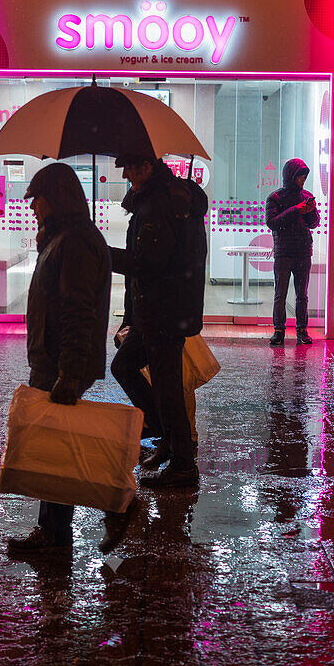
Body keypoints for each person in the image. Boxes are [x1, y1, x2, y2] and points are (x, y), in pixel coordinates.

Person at [6, 163, 112, 556]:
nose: (33, 207)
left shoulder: (77, 242)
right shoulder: (63, 236)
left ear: (58, 197)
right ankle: (52, 530)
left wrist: (69, 372)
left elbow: (76, 309)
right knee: (55, 449)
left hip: (60, 362)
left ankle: (114, 507)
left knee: (59, 450)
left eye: (38, 199)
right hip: (52, 359)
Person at [109, 154, 208, 489]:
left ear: (146, 167)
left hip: (163, 313)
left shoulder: (158, 205)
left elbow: (147, 264)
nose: (124, 173)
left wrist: (101, 252)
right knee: (124, 367)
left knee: (168, 391)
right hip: (158, 311)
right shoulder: (163, 200)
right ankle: (165, 436)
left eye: (129, 165)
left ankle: (183, 466)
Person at [265, 158, 320, 346]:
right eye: (300, 177)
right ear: (291, 176)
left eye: (304, 177)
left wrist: (310, 210)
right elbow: (272, 222)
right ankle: (279, 330)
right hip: (283, 251)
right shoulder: (275, 198)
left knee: (302, 294)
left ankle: (302, 330)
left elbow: (314, 224)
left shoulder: (307, 196)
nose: (303, 180)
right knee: (280, 294)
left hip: (303, 251)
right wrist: (297, 209)